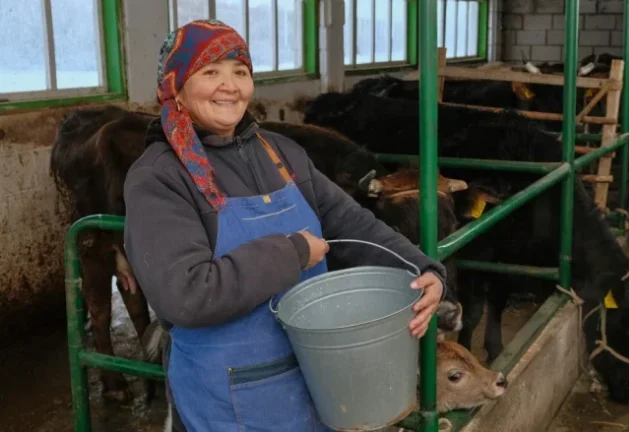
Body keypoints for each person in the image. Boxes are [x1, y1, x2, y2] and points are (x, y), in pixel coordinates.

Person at [122, 19, 447, 432]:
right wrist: (293, 251)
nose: (230, 86)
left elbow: (349, 220)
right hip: (229, 397)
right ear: (176, 86)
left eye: (240, 71)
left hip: (316, 378)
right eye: (210, 72)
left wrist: (421, 269)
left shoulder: (281, 153)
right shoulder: (159, 177)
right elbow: (186, 294)